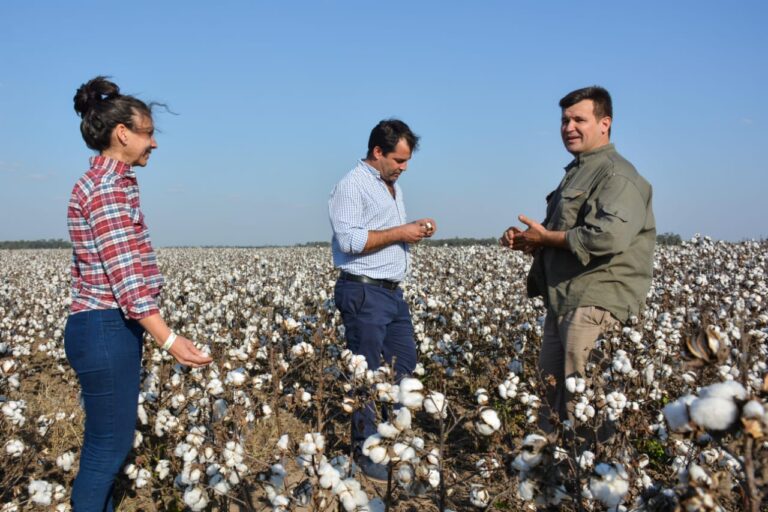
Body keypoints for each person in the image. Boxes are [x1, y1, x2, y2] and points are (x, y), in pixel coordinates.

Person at [66, 76, 212, 511]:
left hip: (99, 327)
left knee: (106, 450)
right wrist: (169, 340)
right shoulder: (109, 189)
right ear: (123, 134)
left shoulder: (101, 183)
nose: (154, 144)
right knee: (105, 454)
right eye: (148, 133)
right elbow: (126, 278)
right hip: (106, 327)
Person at [500, 86, 655, 435]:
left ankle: (581, 482)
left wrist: (547, 238)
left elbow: (607, 236)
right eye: (565, 119)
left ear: (605, 123)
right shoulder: (580, 171)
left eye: (579, 119)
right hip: (566, 302)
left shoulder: (617, 175)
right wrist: (528, 240)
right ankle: (549, 479)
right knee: (550, 401)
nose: (569, 127)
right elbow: (563, 236)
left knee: (582, 405)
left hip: (593, 304)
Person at [329, 119, 437, 481]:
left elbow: (387, 233)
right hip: (363, 291)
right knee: (366, 373)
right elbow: (350, 241)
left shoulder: (391, 187)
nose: (404, 168)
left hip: (391, 293)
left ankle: (393, 439)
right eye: (399, 160)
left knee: (403, 364)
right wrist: (401, 232)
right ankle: (366, 450)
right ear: (378, 152)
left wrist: (413, 229)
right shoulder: (351, 185)